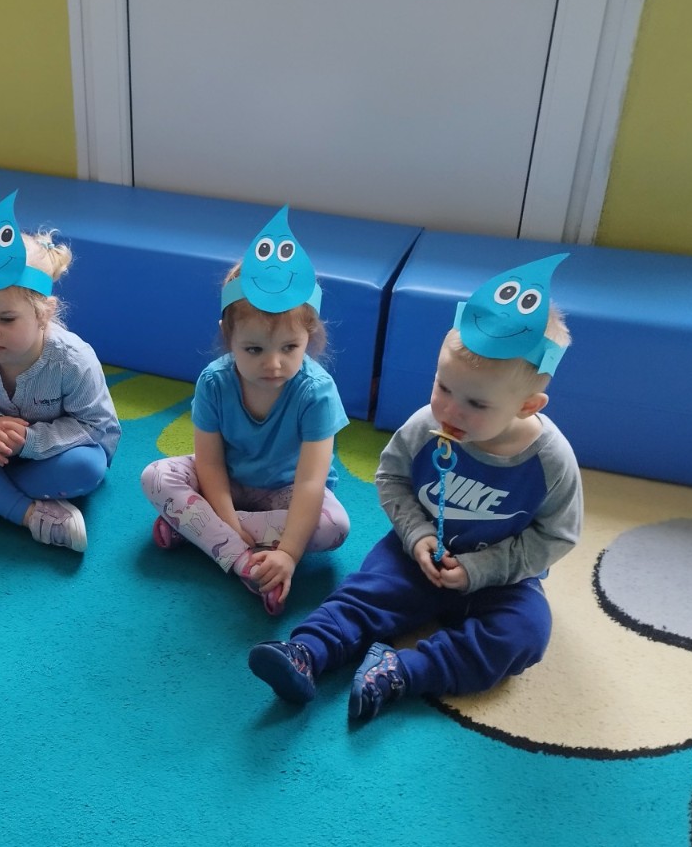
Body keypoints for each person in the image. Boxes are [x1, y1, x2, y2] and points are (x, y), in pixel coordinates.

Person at [248, 254, 582, 723]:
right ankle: (307, 651)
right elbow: (391, 478)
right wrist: (417, 534)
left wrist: (481, 569)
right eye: (443, 387)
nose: (450, 410)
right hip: (414, 553)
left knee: (523, 634)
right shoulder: (425, 426)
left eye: (476, 403)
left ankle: (400, 672)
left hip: (498, 579)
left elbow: (557, 536)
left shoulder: (550, 460)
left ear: (528, 406)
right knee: (364, 594)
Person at [141, 207, 350, 614]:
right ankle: (241, 559)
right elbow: (209, 463)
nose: (273, 364)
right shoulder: (214, 382)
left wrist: (288, 554)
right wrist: (231, 525)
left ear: (308, 336)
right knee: (154, 476)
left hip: (285, 492)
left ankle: (195, 528)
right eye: (254, 349)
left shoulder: (317, 392)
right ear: (228, 336)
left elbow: (311, 483)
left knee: (334, 526)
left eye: (289, 348)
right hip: (226, 482)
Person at [0, 191, 119, 553]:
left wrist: (29, 441)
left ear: (44, 313)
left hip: (54, 457)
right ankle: (29, 514)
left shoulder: (73, 360)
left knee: (87, 467)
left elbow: (98, 427)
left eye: (6, 319)